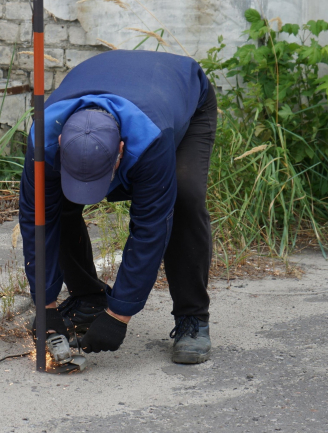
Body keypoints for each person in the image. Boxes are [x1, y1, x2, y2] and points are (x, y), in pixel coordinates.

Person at [19, 49, 217, 364]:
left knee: (185, 197)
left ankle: (192, 319)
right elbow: (37, 220)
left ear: (121, 151)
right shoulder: (42, 139)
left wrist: (120, 314)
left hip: (181, 97)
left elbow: (151, 228)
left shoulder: (151, 138)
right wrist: (45, 307)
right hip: (119, 83)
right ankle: (88, 299)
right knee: (57, 202)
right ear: (59, 145)